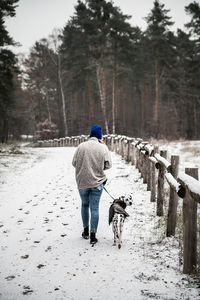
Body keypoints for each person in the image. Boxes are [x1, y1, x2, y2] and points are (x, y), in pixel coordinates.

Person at [72, 125, 112, 245]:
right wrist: (98, 168)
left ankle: (85, 231)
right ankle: (93, 236)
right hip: (97, 182)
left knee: (84, 205)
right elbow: (108, 165)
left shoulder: (81, 146)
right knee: (94, 208)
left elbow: (74, 163)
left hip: (82, 182)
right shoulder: (103, 147)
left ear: (90, 135)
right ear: (100, 136)